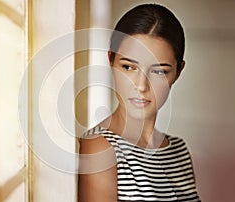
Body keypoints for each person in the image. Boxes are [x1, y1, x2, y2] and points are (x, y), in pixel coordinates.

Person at [78, 3, 200, 202]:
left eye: (159, 71)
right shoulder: (101, 149)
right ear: (111, 60)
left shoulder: (179, 151)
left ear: (178, 71)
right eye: (128, 67)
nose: (141, 85)